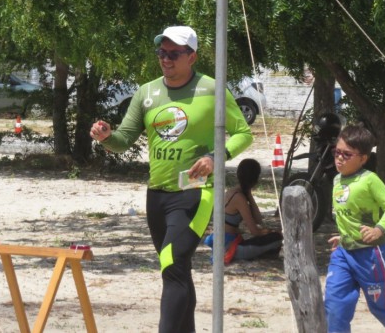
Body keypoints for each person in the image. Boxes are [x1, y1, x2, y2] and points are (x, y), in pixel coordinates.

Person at [90, 25, 253, 333]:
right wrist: (106, 137)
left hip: (195, 191)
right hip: (157, 195)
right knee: (176, 270)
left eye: (174, 54)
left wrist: (215, 158)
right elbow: (124, 138)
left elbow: (243, 134)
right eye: (162, 53)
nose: (166, 59)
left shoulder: (211, 89)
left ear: (192, 56)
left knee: (173, 262)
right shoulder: (147, 92)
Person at [324, 123, 385, 333]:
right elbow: (347, 216)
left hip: (370, 256)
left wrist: (378, 230)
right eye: (337, 152)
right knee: (335, 306)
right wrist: (343, 236)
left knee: (381, 308)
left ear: (363, 158)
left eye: (346, 154)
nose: (339, 158)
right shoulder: (336, 179)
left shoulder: (370, 180)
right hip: (343, 254)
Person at [203, 158, 282, 262]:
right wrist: (270, 232)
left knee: (272, 237)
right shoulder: (239, 198)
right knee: (277, 238)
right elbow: (254, 231)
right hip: (230, 248)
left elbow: (258, 219)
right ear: (255, 180)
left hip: (226, 243)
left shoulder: (234, 192)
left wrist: (249, 195)